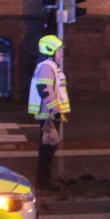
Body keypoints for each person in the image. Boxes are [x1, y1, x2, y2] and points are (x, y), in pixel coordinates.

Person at [28, 34, 70, 190]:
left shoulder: (49, 66)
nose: (60, 53)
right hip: (49, 115)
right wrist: (55, 110)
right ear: (50, 50)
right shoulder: (47, 66)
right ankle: (45, 182)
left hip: (50, 114)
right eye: (59, 50)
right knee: (47, 149)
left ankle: (45, 179)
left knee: (49, 148)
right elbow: (45, 90)